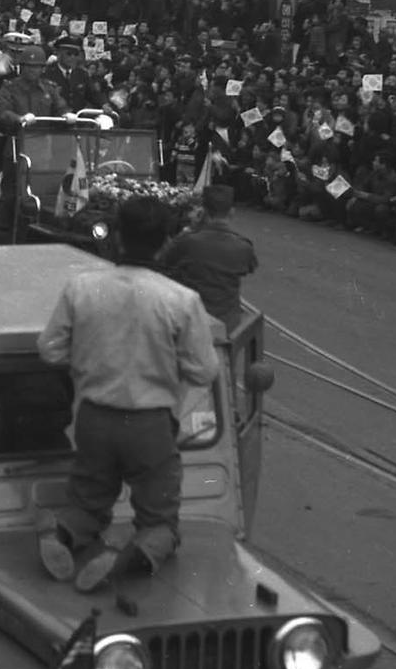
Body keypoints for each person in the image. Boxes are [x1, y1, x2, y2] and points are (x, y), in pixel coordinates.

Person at [35, 196, 223, 592]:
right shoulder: (181, 300)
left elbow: (49, 349)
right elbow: (204, 370)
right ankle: (122, 560)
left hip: (92, 418)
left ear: (116, 237)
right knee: (159, 521)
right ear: (165, 243)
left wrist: (87, 360)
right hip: (149, 424)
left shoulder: (81, 288)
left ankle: (61, 535)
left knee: (87, 503)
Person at [159, 183, 259, 332]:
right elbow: (249, 267)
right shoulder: (243, 246)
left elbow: (165, 260)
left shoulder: (188, 241)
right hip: (227, 322)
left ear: (203, 211)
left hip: (191, 319)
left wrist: (191, 229)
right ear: (231, 212)